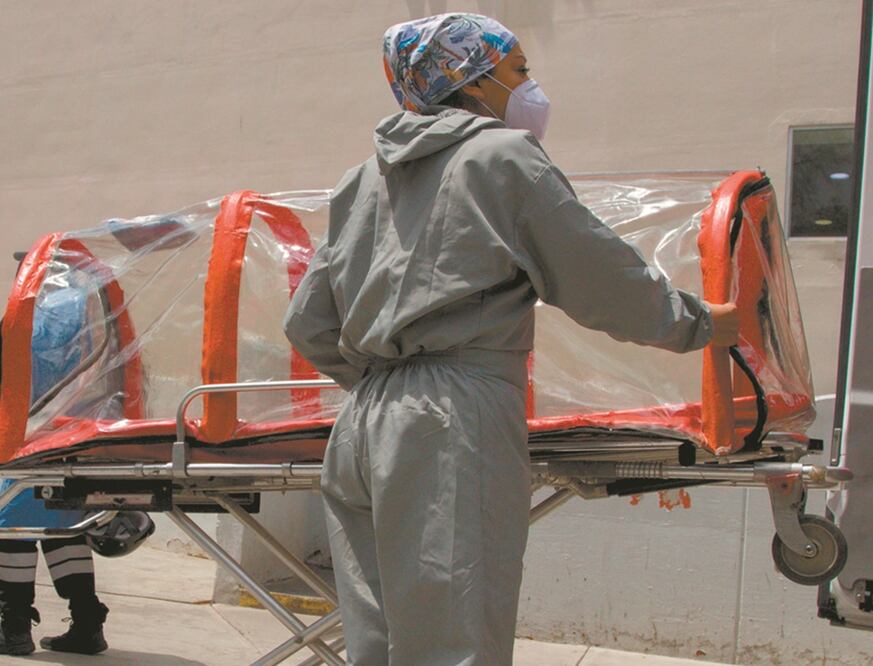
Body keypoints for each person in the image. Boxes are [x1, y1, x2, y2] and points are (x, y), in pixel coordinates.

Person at [283, 13, 741, 666]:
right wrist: (699, 321)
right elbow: (597, 274)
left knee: (378, 647)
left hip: (361, 422)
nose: (530, 86)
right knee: (453, 643)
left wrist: (385, 380)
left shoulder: (362, 181)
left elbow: (307, 322)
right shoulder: (501, 157)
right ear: (470, 79)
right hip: (450, 418)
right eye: (518, 71)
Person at [0, 276, 109, 656]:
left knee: (11, 525)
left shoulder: (51, 310)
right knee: (62, 526)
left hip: (40, 436)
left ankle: (13, 629)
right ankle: (87, 624)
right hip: (75, 432)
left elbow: (38, 373)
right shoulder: (87, 304)